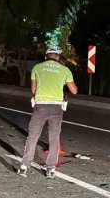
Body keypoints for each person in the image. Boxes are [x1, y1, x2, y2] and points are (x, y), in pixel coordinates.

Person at [18, 48, 78, 179]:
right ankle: (50, 169)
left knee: (33, 136)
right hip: (56, 108)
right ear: (57, 57)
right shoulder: (64, 70)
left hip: (41, 106)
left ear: (46, 57)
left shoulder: (37, 68)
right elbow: (74, 91)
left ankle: (24, 167)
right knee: (54, 138)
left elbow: (33, 89)